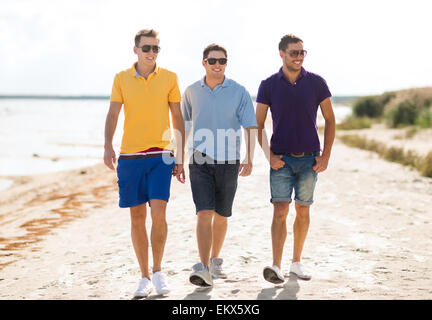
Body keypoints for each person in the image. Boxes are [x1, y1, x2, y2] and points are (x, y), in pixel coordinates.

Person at [104, 29, 185, 298]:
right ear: (136, 49)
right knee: (137, 217)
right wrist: (107, 146)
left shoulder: (170, 78)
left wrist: (181, 156)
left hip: (161, 155)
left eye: (156, 48)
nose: (151, 52)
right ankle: (144, 276)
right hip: (129, 157)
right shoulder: (121, 78)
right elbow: (113, 114)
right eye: (147, 47)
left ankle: (159, 271)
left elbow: (177, 118)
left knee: (159, 214)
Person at [256, 34, 335, 283]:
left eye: (302, 53)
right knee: (280, 209)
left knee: (303, 209)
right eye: (294, 53)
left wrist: (325, 156)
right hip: (281, 159)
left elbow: (330, 120)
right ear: (282, 54)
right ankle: (276, 266)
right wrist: (269, 156)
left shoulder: (316, 83)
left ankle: (296, 262)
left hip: (310, 159)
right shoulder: (268, 85)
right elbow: (257, 125)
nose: (299, 57)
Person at [182, 44, 257, 287]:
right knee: (204, 212)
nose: (218, 65)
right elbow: (182, 127)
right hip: (199, 159)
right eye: (213, 61)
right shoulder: (192, 91)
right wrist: (178, 159)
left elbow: (250, 126)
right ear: (203, 62)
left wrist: (249, 157)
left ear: (226, 63)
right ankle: (203, 267)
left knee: (222, 215)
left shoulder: (239, 91)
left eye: (222, 61)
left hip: (229, 161)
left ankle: (215, 261)